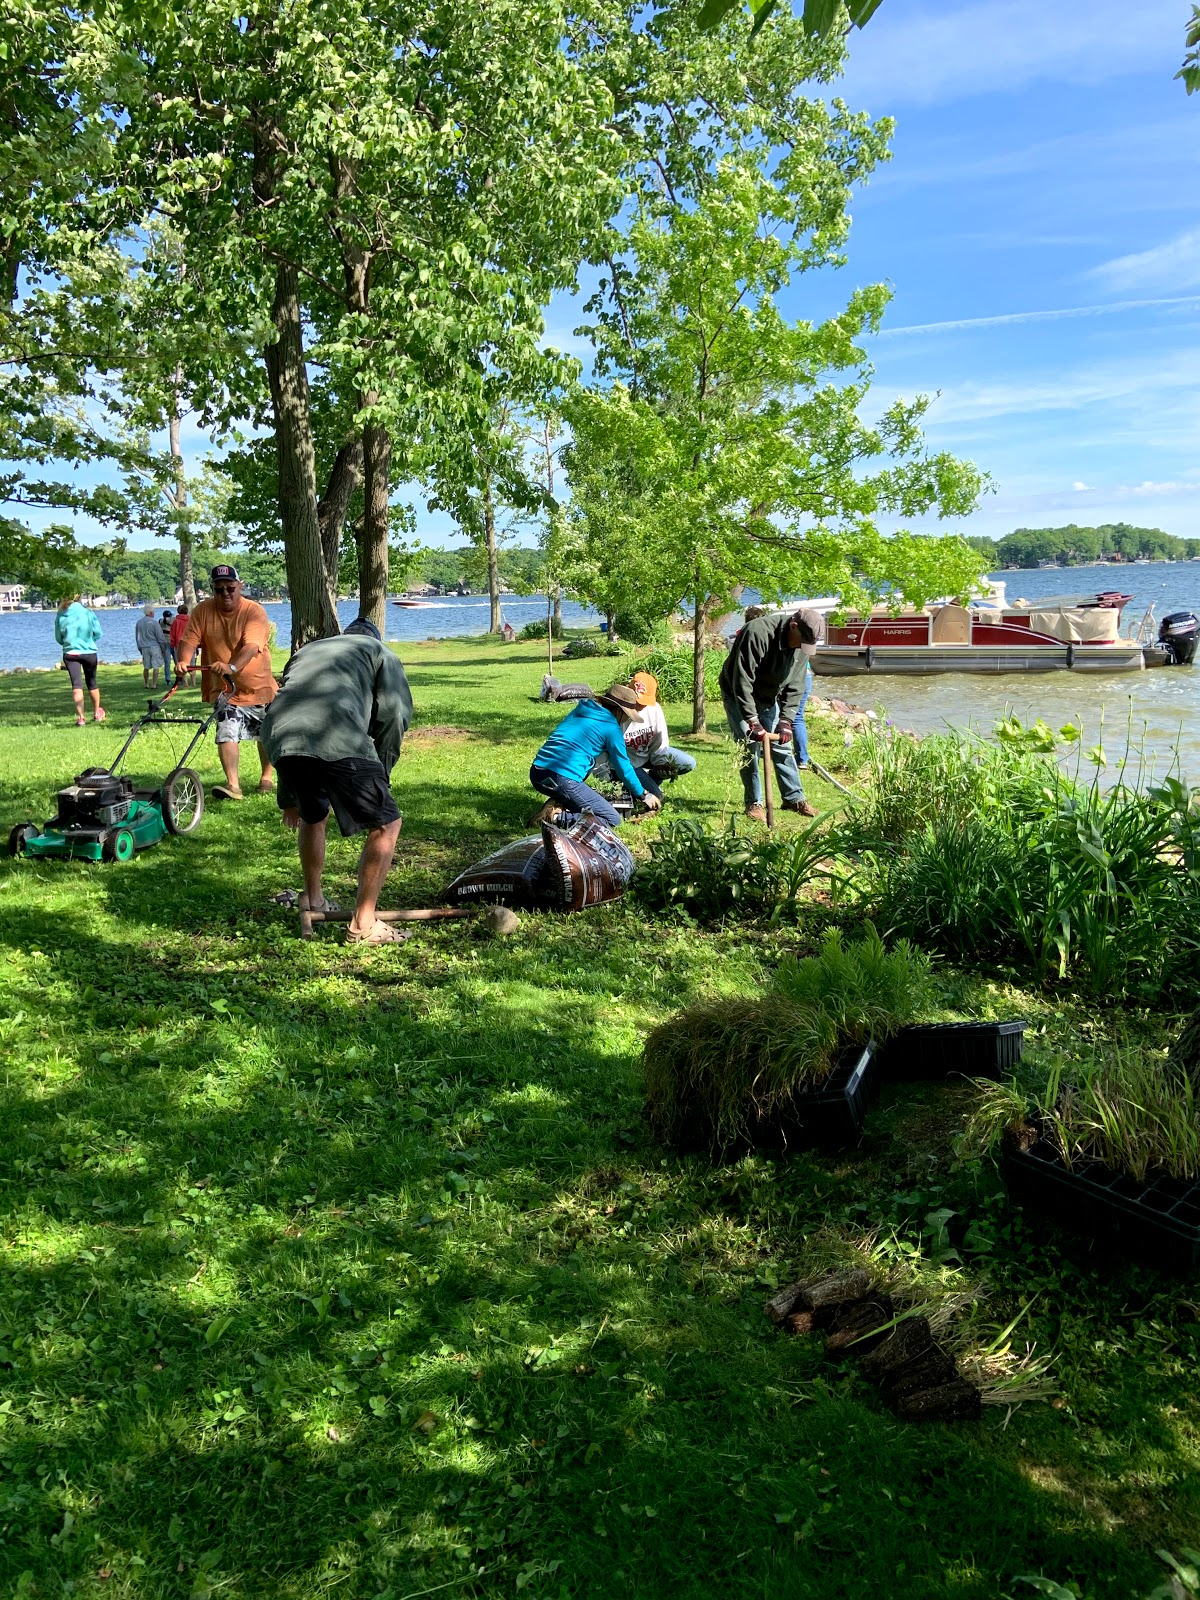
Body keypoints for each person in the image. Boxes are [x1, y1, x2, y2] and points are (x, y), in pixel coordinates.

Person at [261, 618, 413, 944]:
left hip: (278, 733)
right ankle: (363, 924)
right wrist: (380, 776)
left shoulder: (309, 651)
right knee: (387, 824)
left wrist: (289, 799)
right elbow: (394, 714)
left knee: (313, 814)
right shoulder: (378, 650)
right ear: (374, 637)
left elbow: (294, 707)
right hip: (335, 731)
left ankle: (313, 900)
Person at [176, 564, 278, 801]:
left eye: (230, 588)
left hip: (258, 686)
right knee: (226, 731)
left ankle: (267, 777)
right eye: (218, 589)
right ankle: (233, 785)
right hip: (226, 689)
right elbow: (189, 640)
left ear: (239, 586)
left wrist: (231, 667)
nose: (225, 594)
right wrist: (183, 661)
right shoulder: (202, 611)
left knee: (265, 735)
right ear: (212, 589)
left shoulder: (254, 611)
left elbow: (251, 646)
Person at [719, 606, 825, 821]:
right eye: (802, 641)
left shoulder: (802, 643)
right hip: (738, 691)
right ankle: (754, 803)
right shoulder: (757, 632)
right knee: (749, 744)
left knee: (782, 745)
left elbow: (796, 684)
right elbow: (742, 678)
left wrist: (786, 719)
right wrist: (751, 718)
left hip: (768, 695)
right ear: (793, 626)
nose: (803, 647)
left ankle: (793, 798)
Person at [529, 683, 662, 829]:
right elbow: (624, 768)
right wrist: (644, 795)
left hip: (537, 772)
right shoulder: (611, 728)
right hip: (562, 778)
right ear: (619, 711)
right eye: (628, 715)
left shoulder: (581, 710)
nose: (627, 720)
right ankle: (555, 817)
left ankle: (559, 801)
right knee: (612, 819)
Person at [591, 670, 696, 802]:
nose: (640, 705)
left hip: (646, 755)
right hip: (625, 763)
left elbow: (660, 743)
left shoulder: (655, 710)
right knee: (656, 797)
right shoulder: (616, 714)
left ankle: (650, 779)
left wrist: (661, 764)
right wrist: (606, 780)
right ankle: (636, 785)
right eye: (637, 700)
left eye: (644, 700)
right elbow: (602, 754)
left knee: (687, 763)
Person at [54, 594, 105, 725]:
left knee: (76, 685)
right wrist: (89, 641)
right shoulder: (88, 612)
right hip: (89, 652)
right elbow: (98, 632)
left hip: (70, 653)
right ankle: (96, 713)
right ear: (79, 598)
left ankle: (81, 717)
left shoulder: (61, 614)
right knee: (92, 683)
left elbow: (59, 638)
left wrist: (69, 642)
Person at [135, 604, 168, 690]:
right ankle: (154, 684)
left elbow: (137, 637)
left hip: (144, 647)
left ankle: (146, 684)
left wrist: (139, 648)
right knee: (156, 666)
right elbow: (160, 637)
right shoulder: (154, 623)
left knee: (146, 667)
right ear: (151, 612)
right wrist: (163, 648)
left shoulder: (139, 622)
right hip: (154, 646)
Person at [792, 659, 813, 771]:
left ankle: (776, 750)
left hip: (792, 675)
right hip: (806, 674)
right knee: (798, 717)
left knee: (778, 713)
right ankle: (802, 759)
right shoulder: (804, 642)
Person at [170, 603, 196, 685]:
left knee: (182, 664)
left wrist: (172, 644)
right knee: (192, 664)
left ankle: (186, 683)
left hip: (179, 645)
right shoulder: (191, 620)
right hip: (192, 643)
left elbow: (172, 634)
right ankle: (194, 682)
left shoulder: (176, 622)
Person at [159, 609, 175, 688]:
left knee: (171, 662)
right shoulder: (162, 621)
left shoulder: (162, 621)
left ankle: (176, 678)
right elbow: (165, 621)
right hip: (167, 644)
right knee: (168, 662)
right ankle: (168, 679)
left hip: (172, 644)